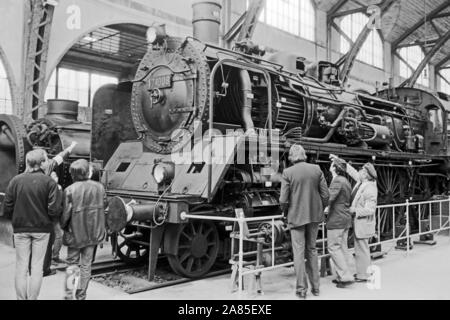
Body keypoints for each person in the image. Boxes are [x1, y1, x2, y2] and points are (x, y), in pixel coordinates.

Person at [3, 149, 60, 299]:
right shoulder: (49, 182)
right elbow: (54, 210)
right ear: (41, 163)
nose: (47, 162)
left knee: (21, 267)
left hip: (20, 229)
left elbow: (7, 206)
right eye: (46, 159)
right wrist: (49, 220)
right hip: (42, 230)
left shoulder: (16, 180)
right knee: (36, 268)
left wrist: (14, 220)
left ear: (28, 162)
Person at [280, 144, 329, 299]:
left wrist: (285, 212)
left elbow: (283, 199)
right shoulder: (316, 169)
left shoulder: (288, 172)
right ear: (304, 155)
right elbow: (326, 195)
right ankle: (316, 288)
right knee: (312, 250)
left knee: (299, 253)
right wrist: (321, 208)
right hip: (314, 216)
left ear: (291, 157)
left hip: (296, 217)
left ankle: (301, 290)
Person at [61, 159, 106, 300]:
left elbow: (65, 217)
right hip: (93, 233)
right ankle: (81, 295)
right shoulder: (99, 187)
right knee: (86, 265)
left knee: (72, 265)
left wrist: (63, 227)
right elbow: (104, 206)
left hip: (75, 234)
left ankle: (69, 295)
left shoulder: (69, 190)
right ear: (88, 172)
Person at [330, 154, 378, 282]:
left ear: (367, 175)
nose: (360, 172)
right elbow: (353, 173)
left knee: (362, 249)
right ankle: (362, 273)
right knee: (360, 248)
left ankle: (364, 275)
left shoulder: (370, 188)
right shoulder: (362, 182)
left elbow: (370, 209)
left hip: (363, 223)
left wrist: (355, 210)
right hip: (358, 223)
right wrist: (340, 161)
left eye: (362, 171)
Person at [42, 141, 78, 275]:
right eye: (46, 159)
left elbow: (59, 157)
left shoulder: (43, 170)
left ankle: (47, 260)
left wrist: (70, 148)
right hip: (50, 213)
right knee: (57, 235)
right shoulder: (50, 179)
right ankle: (52, 259)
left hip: (43, 213)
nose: (49, 160)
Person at [325, 158, 354, 288]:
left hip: (337, 219)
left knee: (333, 247)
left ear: (335, 168)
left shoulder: (337, 181)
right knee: (343, 248)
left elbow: (329, 198)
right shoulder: (346, 181)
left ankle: (345, 276)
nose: (330, 167)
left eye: (332, 165)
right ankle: (341, 275)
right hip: (345, 218)